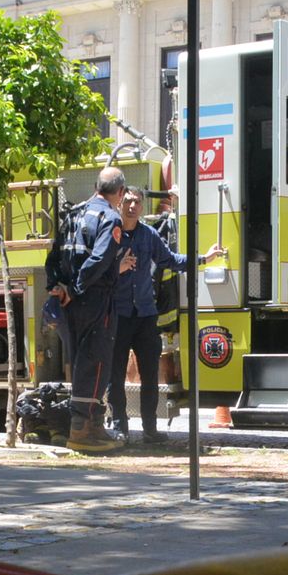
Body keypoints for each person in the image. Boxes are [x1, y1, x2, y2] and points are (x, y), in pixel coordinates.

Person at [107, 187, 223, 443]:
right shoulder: (110, 233)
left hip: (146, 315)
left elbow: (171, 260)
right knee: (115, 375)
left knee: (150, 375)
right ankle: (120, 428)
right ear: (119, 204)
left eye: (137, 201)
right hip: (119, 315)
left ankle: (150, 428)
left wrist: (204, 257)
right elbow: (97, 271)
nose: (132, 206)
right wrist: (118, 268)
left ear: (142, 206)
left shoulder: (148, 235)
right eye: (127, 201)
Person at [49, 166, 135, 453]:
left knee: (80, 360)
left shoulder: (72, 214)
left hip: (71, 303)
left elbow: (53, 256)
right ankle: (83, 430)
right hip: (95, 298)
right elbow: (99, 260)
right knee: (96, 361)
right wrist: (75, 288)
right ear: (120, 193)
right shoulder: (111, 218)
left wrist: (58, 287)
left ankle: (93, 426)